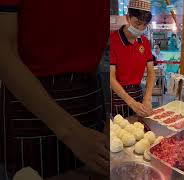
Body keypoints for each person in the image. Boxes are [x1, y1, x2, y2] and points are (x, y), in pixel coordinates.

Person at [0, 1, 109, 179]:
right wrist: (72, 133)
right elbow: (3, 51)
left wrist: (109, 121)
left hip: (91, 97)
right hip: (33, 107)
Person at [110, 0, 155, 118]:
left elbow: (151, 72)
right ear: (127, 17)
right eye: (137, 23)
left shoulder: (144, 42)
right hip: (118, 96)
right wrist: (130, 102)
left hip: (138, 92)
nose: (141, 28)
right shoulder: (113, 40)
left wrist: (147, 99)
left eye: (145, 25)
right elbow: (111, 77)